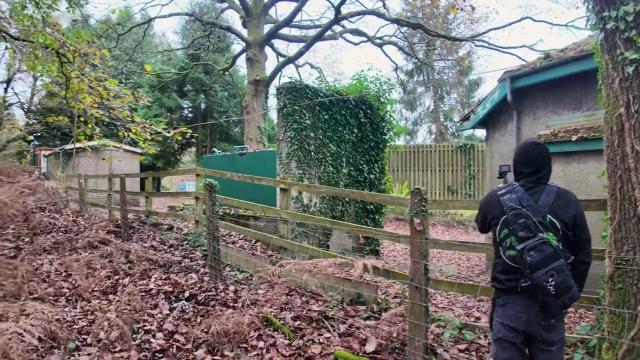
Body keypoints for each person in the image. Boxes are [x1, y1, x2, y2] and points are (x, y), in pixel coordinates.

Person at [475, 139, 592, 360]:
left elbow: (481, 225)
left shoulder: (495, 199)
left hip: (509, 300)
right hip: (551, 301)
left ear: (517, 166)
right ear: (547, 167)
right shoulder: (568, 201)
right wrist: (567, 293)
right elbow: (583, 256)